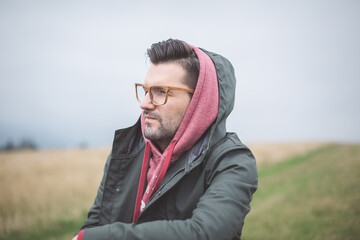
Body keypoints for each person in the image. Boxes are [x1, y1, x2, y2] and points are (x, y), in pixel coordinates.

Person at [73, 39, 258, 240]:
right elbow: (95, 224)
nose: (144, 104)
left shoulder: (233, 162)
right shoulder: (126, 153)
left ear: (199, 101)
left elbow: (205, 234)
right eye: (145, 91)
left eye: (160, 92)